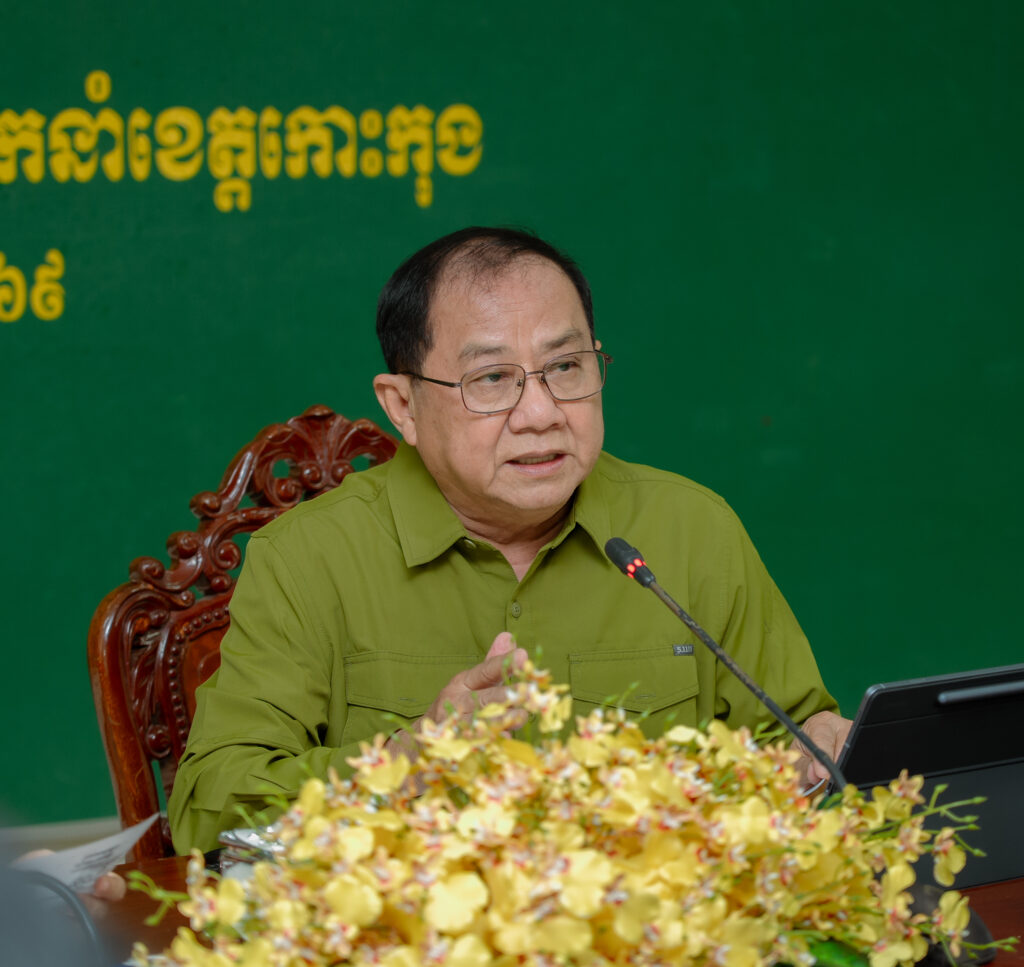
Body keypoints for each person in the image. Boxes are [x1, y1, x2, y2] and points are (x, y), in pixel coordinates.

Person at [169, 227, 850, 853]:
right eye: (492, 379)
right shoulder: (308, 558)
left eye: (567, 367)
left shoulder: (692, 531)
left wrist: (816, 756)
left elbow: (795, 739)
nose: (541, 413)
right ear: (403, 405)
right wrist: (407, 763)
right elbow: (207, 810)